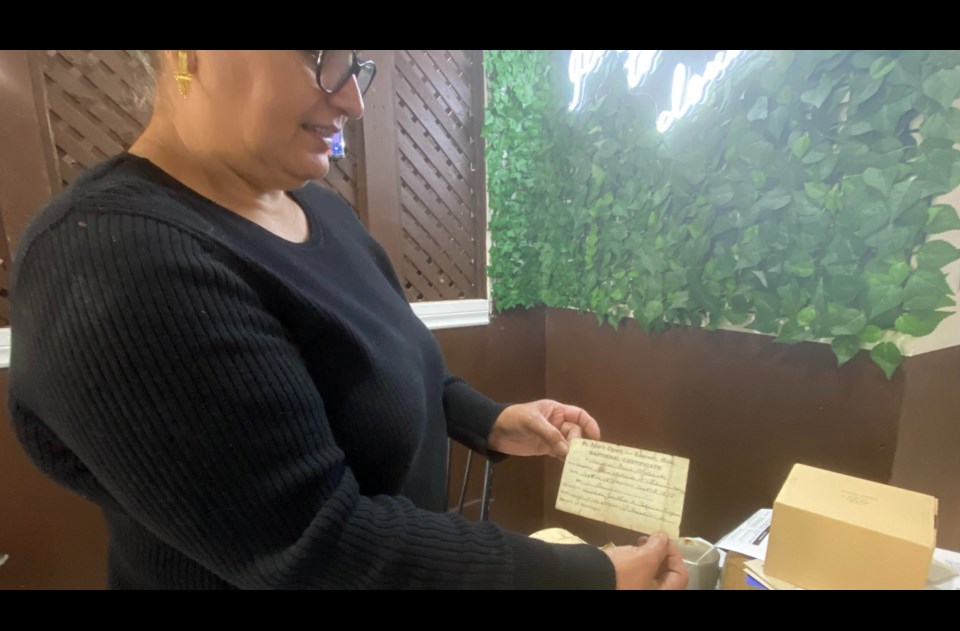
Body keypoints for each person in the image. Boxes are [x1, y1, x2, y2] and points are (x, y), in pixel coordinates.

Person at [8, 50, 688, 590]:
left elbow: (393, 363)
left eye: (356, 62)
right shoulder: (111, 258)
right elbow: (317, 546)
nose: (353, 100)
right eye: (318, 54)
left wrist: (490, 420)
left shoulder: (319, 210)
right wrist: (589, 575)